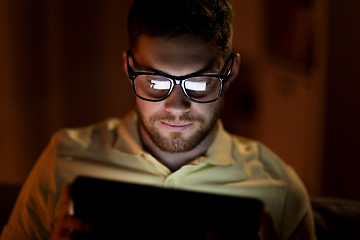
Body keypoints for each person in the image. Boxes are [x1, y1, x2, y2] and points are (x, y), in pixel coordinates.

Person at [0, 0, 316, 239]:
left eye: (198, 82)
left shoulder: (280, 188)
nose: (176, 106)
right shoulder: (64, 159)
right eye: (155, 81)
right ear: (127, 67)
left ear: (230, 72)